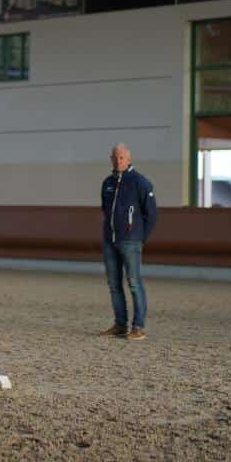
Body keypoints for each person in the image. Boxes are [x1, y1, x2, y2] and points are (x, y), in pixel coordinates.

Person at [98, 143, 158, 340]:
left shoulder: (140, 182)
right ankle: (120, 325)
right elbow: (106, 211)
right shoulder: (107, 183)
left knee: (134, 283)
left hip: (131, 242)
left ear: (129, 159)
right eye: (115, 157)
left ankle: (138, 327)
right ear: (111, 159)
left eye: (122, 157)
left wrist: (138, 237)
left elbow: (152, 215)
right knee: (114, 285)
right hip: (110, 241)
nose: (118, 161)